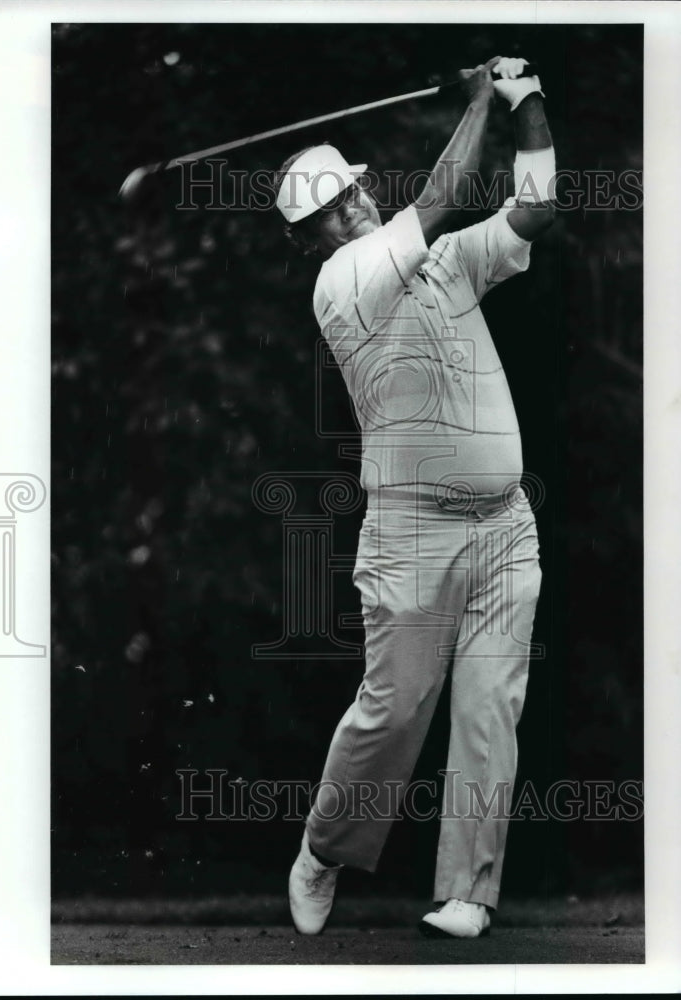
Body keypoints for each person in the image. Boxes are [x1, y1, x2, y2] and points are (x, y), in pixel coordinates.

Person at [273, 56, 556, 939]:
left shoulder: (441, 262)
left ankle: (468, 891)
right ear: (311, 235)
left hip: (505, 526)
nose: (352, 208)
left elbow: (534, 212)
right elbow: (439, 193)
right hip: (410, 533)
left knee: (488, 708)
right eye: (331, 210)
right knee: (392, 712)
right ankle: (323, 850)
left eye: (353, 193)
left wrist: (527, 104)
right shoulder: (341, 285)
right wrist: (480, 100)